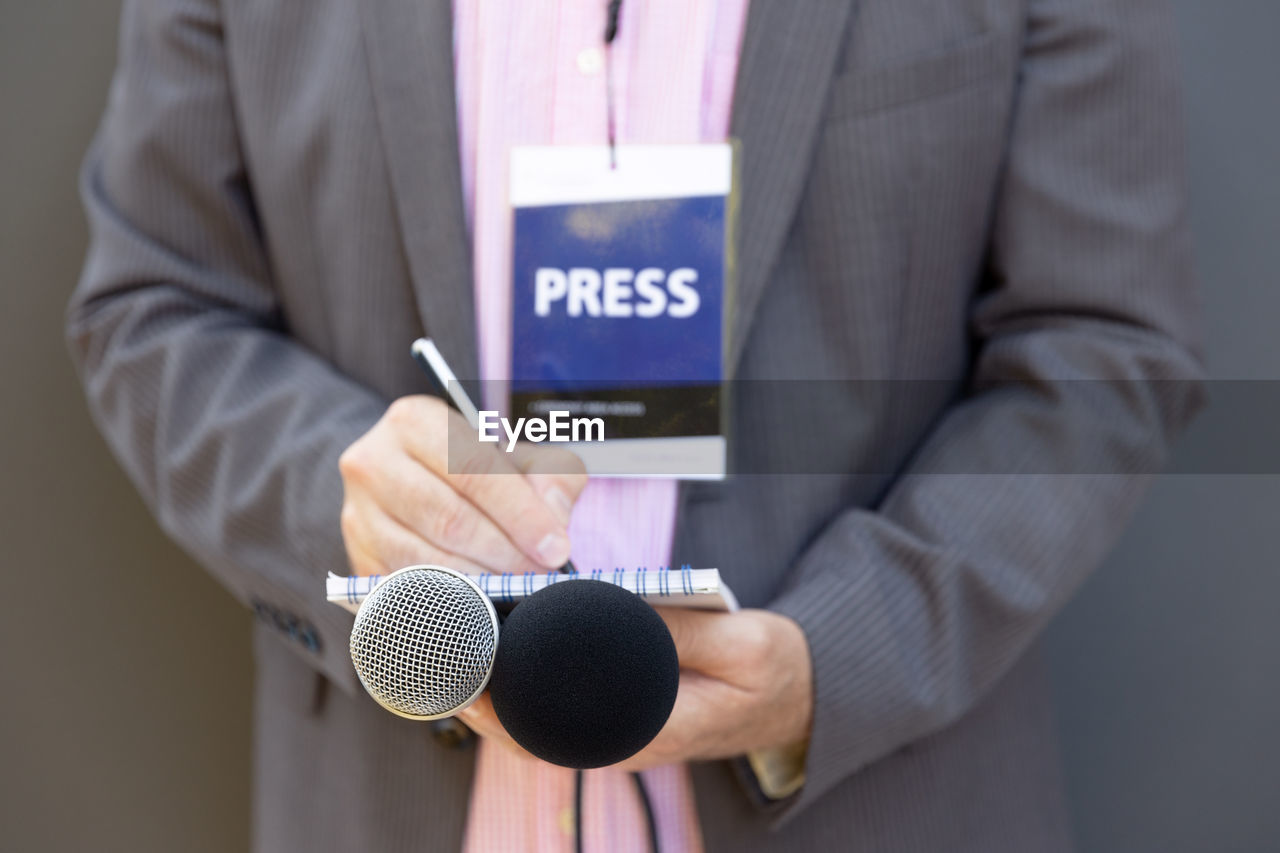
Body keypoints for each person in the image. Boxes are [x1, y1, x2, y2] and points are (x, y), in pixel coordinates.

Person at [66, 0, 1203, 850]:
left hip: (873, 801)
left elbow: (1098, 349)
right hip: (385, 803)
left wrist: (842, 657)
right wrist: (344, 499)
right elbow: (154, 304)